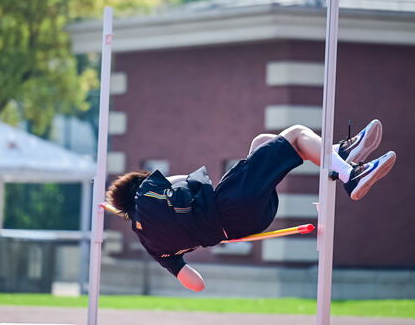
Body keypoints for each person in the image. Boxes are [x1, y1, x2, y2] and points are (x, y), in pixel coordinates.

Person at [106, 120, 396, 292]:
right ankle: (350, 175)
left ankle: (338, 154)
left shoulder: (153, 247)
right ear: (137, 185)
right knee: (296, 133)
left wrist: (180, 245)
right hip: (229, 203)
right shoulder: (147, 190)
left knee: (264, 142)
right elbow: (181, 179)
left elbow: (197, 284)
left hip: (250, 223)